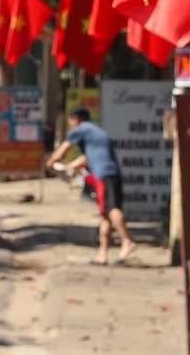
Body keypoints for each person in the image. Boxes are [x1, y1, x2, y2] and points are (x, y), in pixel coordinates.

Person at [47, 106, 131, 264]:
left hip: (103, 174)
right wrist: (70, 167)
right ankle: (102, 254)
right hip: (112, 173)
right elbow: (88, 158)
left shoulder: (80, 129)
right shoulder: (96, 132)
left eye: (71, 121)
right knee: (105, 214)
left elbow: (61, 152)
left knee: (112, 209)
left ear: (75, 119)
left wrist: (50, 163)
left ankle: (127, 241)